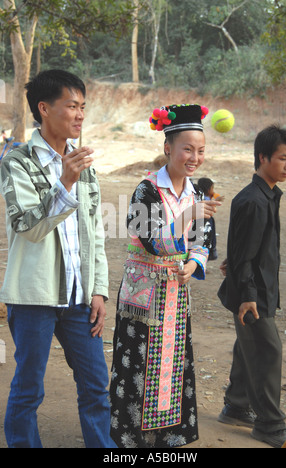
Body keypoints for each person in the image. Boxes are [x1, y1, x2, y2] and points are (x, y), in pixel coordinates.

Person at [0, 69, 116, 448]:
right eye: (72, 106)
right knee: (29, 388)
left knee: (97, 383)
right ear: (44, 108)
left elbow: (94, 236)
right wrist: (64, 183)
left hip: (80, 298)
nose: (80, 115)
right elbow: (27, 226)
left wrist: (98, 289)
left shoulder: (83, 166)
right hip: (33, 296)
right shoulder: (19, 161)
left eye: (83, 107)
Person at [109, 104, 221, 448]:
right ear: (167, 148)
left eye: (200, 150)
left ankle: (170, 439)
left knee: (173, 368)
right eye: (187, 149)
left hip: (176, 293)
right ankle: (131, 442)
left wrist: (193, 264)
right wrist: (188, 213)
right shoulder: (146, 190)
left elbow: (204, 240)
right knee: (138, 368)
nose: (195, 157)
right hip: (144, 297)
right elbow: (151, 240)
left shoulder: (198, 191)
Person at [218, 125, 286, 448]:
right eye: (282, 158)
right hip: (252, 296)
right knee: (267, 350)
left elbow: (244, 248)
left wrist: (235, 262)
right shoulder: (255, 200)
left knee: (247, 346)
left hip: (257, 289)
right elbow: (247, 256)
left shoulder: (265, 195)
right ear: (262, 157)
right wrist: (248, 298)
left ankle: (236, 405)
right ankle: (269, 424)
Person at [197, 178, 224, 260]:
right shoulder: (204, 199)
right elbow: (207, 209)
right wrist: (215, 201)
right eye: (212, 188)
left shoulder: (200, 197)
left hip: (204, 223)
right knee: (207, 240)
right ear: (208, 189)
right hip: (205, 223)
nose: (213, 190)